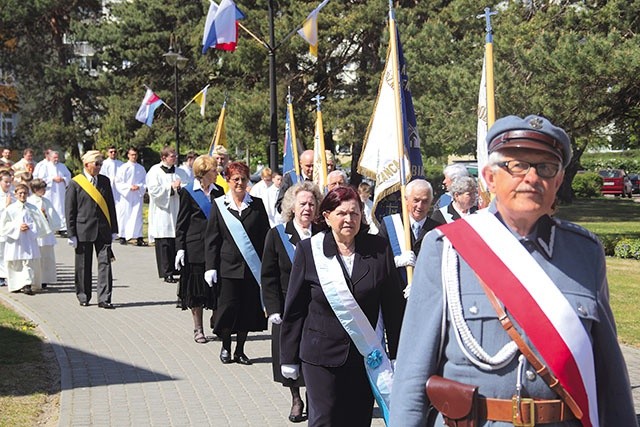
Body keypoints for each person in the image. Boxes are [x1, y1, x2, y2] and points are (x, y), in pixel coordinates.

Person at [390, 115, 637, 427]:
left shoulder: (585, 253)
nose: (532, 177)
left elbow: (609, 375)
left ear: (558, 181)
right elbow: (412, 374)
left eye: (545, 167)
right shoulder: (446, 249)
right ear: (490, 178)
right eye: (517, 165)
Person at [279, 186, 405, 427]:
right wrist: (288, 357)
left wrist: (397, 354)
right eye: (341, 213)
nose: (349, 219)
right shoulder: (309, 251)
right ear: (326, 216)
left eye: (355, 213)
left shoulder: (379, 249)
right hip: (320, 356)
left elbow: (393, 307)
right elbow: (294, 309)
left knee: (357, 420)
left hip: (365, 356)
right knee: (324, 419)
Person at [261, 181, 323, 423]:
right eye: (302, 204)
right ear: (292, 207)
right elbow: (268, 275)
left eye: (311, 203)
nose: (307, 208)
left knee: (314, 354)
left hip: (316, 307)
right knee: (289, 355)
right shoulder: (277, 235)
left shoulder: (323, 234)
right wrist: (272, 307)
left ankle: (312, 397)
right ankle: (296, 399)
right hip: (286, 307)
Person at [204, 162, 269, 365]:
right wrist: (210, 267)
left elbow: (265, 237)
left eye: (243, 179)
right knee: (228, 310)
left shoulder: (257, 205)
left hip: (251, 269)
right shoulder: (220, 205)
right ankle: (225, 346)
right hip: (227, 268)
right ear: (229, 181)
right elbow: (212, 239)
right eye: (236, 179)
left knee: (246, 311)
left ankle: (240, 350)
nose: (240, 183)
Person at [175, 155, 224, 343]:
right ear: (203, 173)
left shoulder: (219, 192)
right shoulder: (188, 192)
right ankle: (198, 329)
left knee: (217, 288)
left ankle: (217, 320)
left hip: (216, 247)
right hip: (194, 247)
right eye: (213, 170)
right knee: (196, 291)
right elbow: (181, 223)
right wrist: (180, 249)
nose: (217, 173)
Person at [65, 150, 118, 308]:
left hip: (103, 230)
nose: (99, 167)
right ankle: (83, 296)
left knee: (105, 265)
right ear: (87, 165)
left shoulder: (104, 181)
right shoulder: (76, 183)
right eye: (97, 164)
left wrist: (114, 228)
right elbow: (70, 210)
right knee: (83, 265)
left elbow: (110, 206)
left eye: (101, 164)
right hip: (83, 230)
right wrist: (71, 234)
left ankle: (104, 298)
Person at [377, 179, 439, 289]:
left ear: (431, 202)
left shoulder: (438, 229)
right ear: (406, 200)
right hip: (396, 293)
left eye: (425, 201)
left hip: (427, 293)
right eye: (416, 200)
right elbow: (378, 260)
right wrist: (394, 261)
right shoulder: (389, 224)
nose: (420, 206)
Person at [146, 146, 189, 283]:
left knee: (178, 239)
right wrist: (170, 187)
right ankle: (167, 271)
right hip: (162, 211)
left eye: (175, 156)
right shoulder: (154, 171)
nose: (175, 158)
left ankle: (178, 268)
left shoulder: (181, 172)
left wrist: (180, 187)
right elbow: (153, 190)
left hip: (178, 209)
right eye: (172, 156)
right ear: (163, 158)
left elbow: (188, 186)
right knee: (164, 242)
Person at [1, 183, 51, 295]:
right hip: (15, 241)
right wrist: (17, 227)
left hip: (29, 239)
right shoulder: (10, 209)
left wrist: (30, 226)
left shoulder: (32, 208)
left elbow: (39, 224)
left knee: (29, 262)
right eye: (20, 193)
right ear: (16, 194)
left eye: (25, 193)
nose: (22, 195)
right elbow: (4, 225)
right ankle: (16, 285)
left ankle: (27, 284)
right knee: (16, 262)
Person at [28, 179, 62, 288]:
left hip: (46, 234)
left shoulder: (46, 201)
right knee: (36, 258)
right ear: (35, 189)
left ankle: (45, 279)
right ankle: (35, 279)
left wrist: (47, 216)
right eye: (42, 188)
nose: (44, 191)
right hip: (36, 234)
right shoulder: (30, 201)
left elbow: (52, 215)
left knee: (46, 257)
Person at [114, 147, 147, 246]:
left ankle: (139, 236)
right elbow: (118, 182)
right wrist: (128, 187)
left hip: (137, 195)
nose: (134, 156)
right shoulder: (123, 168)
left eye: (135, 154)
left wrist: (139, 186)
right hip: (126, 196)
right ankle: (123, 236)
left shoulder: (141, 168)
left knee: (137, 215)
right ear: (128, 155)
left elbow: (145, 181)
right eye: (132, 154)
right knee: (124, 215)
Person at [34, 150, 71, 236]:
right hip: (49, 191)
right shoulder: (44, 166)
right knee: (50, 208)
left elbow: (68, 176)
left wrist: (63, 179)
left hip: (60, 191)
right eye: (54, 157)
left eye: (57, 157)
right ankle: (51, 227)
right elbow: (41, 178)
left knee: (61, 208)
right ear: (50, 157)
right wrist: (52, 179)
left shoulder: (62, 166)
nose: (56, 159)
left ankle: (62, 228)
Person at [0, 170, 14, 286]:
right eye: (6, 182)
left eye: (10, 182)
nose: (8, 184)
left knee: (8, 252)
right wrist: (7, 206)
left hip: (11, 229)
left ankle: (7, 275)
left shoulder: (13, 193)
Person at [100, 145, 123, 209]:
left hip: (119, 190)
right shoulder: (103, 164)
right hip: (108, 187)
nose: (113, 153)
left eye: (115, 152)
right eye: (111, 152)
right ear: (107, 153)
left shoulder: (121, 164)